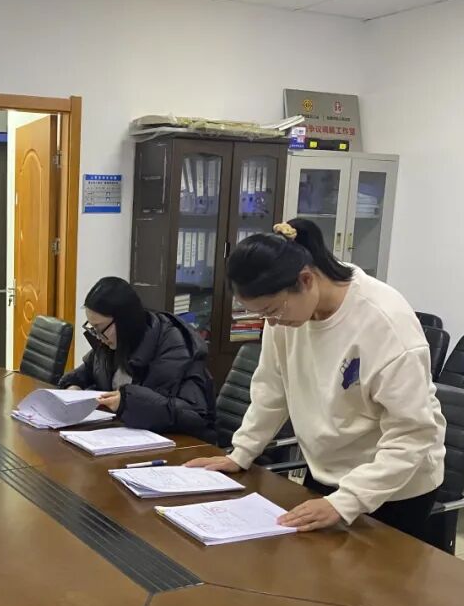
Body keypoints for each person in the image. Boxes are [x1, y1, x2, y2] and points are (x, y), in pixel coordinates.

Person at [187, 219, 447, 548]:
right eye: (261, 315)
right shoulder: (286, 316)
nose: (271, 323)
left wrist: (346, 501)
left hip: (394, 486)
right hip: (328, 469)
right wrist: (242, 452)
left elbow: (413, 435)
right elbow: (271, 389)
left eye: (272, 311)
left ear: (306, 279)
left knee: (373, 578)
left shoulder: (384, 323)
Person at [59, 276, 215, 436]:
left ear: (124, 320)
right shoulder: (110, 343)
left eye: (100, 329)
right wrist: (73, 388)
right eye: (93, 329)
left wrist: (129, 402)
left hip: (180, 443)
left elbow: (195, 415)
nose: (98, 336)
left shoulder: (176, 347)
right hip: (126, 435)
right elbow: (82, 374)